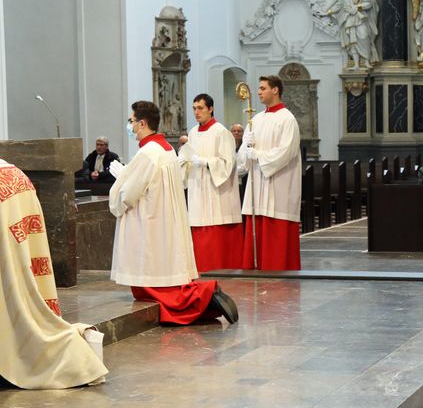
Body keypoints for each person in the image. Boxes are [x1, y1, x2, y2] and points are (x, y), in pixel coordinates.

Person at [0, 133, 108, 389]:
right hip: (25, 259)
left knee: (21, 327)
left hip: (3, 269)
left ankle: (70, 355)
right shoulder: (15, 173)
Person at [110, 100, 239, 325]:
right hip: (162, 222)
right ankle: (205, 297)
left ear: (142, 123)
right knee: (162, 283)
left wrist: (121, 179)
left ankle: (205, 295)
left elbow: (128, 195)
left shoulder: (148, 153)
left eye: (131, 121)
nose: (129, 126)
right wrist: (127, 174)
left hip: (150, 225)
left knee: (154, 286)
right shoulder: (166, 148)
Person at [236, 75, 302, 270]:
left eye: (263, 88)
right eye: (258, 88)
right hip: (258, 184)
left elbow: (286, 151)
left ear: (275, 90)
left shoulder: (287, 119)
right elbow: (242, 161)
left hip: (278, 183)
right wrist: (245, 146)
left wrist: (258, 155)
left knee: (275, 224)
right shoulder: (255, 119)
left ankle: (278, 267)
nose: (258, 92)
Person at [178, 93, 243, 271]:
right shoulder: (192, 133)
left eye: (200, 108)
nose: (196, 112)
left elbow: (228, 163)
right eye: (194, 108)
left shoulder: (221, 132)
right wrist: (182, 162)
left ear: (211, 109)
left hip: (216, 194)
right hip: (197, 189)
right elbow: (187, 158)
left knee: (216, 235)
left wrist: (206, 162)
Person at [323, 0, 379, 69]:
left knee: (364, 36)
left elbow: (369, 2)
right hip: (349, 20)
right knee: (353, 42)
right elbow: (338, 6)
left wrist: (357, 7)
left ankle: (366, 61)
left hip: (360, 19)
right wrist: (328, 12)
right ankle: (356, 64)